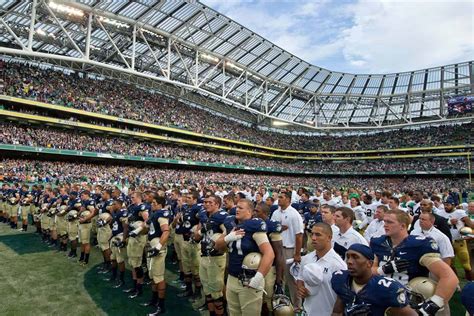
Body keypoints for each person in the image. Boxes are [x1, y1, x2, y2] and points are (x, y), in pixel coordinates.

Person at [371, 210, 458, 315]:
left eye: (389, 222)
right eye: (385, 222)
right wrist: (383, 269)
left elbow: (449, 277)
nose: (385, 225)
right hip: (380, 297)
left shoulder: (419, 245)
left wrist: (435, 303)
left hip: (409, 301)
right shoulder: (377, 242)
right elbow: (368, 272)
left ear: (402, 226)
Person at [215, 199, 275, 316]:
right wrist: (227, 238)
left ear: (250, 211)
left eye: (241, 208)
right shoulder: (231, 223)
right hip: (232, 277)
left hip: (249, 279)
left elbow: (269, 253)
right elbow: (217, 245)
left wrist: (258, 278)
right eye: (237, 207)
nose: (237, 209)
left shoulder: (255, 225)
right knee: (233, 313)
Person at [331, 244, 416, 316]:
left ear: (369, 263)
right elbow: (336, 313)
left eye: (355, 257)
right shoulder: (341, 279)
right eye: (348, 257)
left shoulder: (387, 288)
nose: (349, 261)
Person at [296, 223, 347, 316]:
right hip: (308, 311)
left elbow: (343, 295)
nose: (314, 238)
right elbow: (300, 278)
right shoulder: (307, 259)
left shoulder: (338, 265)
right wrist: (301, 288)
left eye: (318, 235)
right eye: (312, 234)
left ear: (329, 237)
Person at [193, 195, 228, 316]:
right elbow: (197, 236)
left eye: (210, 202)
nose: (206, 204)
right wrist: (199, 232)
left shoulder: (222, 216)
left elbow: (228, 232)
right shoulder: (205, 215)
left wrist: (217, 244)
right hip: (204, 255)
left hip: (215, 258)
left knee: (216, 292)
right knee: (207, 290)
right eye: (205, 202)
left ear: (217, 204)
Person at [270, 190, 304, 311]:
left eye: (281, 197)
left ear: (288, 200)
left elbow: (299, 235)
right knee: (278, 277)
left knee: (292, 280)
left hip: (289, 249)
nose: (278, 199)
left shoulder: (294, 214)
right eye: (278, 196)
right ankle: (281, 305)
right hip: (276, 248)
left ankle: (297, 307)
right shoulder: (275, 212)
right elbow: (272, 228)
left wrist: (297, 253)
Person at [253, 202, 285, 314]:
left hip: (269, 267)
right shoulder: (253, 223)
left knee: (268, 299)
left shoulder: (272, 226)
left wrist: (279, 279)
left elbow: (280, 254)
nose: (254, 213)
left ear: (266, 213)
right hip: (255, 265)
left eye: (257, 211)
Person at [144, 195, 171, 316]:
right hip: (152, 245)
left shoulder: (161, 214)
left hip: (157, 247)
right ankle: (154, 300)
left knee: (158, 276)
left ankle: (161, 306)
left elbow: (166, 231)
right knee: (153, 275)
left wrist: (158, 247)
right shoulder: (155, 213)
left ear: (159, 204)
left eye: (154, 202)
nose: (151, 204)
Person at [436, 195, 473, 281]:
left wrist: (467, 231)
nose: (446, 206)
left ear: (453, 205)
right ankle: (456, 282)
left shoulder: (460, 213)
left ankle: (471, 282)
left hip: (459, 241)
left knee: (466, 265)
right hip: (447, 242)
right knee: (449, 264)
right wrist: (448, 222)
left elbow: (470, 225)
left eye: (448, 205)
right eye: (445, 204)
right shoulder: (440, 213)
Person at [123, 191, 149, 298]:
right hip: (132, 237)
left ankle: (139, 288)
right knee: (133, 263)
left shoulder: (142, 207)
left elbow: (147, 220)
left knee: (137, 264)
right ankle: (135, 287)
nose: (131, 198)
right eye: (131, 197)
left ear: (139, 197)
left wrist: (138, 229)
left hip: (138, 238)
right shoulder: (132, 206)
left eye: (133, 197)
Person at [78, 190, 96, 267]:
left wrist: (85, 219)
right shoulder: (84, 201)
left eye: (82, 195)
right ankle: (82, 256)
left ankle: (86, 259)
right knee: (82, 241)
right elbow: (81, 211)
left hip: (86, 224)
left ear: (87, 195)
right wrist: (79, 213)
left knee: (86, 242)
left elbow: (93, 212)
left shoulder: (90, 201)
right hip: (82, 223)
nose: (81, 197)